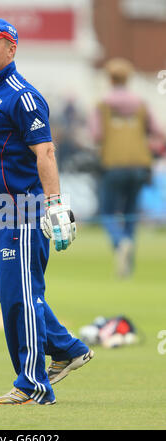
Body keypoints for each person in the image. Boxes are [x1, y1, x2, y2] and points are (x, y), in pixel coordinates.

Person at [0, 19, 94, 406]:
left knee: (22, 297)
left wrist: (55, 206)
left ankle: (32, 385)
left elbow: (46, 152)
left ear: (12, 48)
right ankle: (68, 349)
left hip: (21, 215)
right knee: (13, 296)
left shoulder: (23, 96)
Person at [90, 58, 165, 278]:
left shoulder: (102, 105)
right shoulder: (141, 103)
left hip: (112, 163)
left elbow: (96, 135)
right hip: (139, 163)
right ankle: (128, 261)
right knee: (131, 213)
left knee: (107, 211)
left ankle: (119, 242)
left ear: (110, 78)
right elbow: (158, 131)